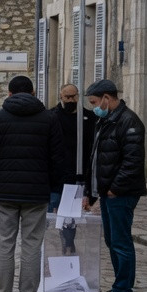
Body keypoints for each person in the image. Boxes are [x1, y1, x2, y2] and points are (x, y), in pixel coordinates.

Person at [0, 75, 64, 292]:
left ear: (9, 93)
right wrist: (49, 183)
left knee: (5, 244)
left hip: (5, 192)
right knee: (32, 245)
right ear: (34, 93)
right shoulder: (49, 118)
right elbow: (58, 158)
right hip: (36, 192)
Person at [84, 78, 146, 292]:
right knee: (112, 240)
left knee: (121, 241)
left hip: (121, 193)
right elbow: (97, 158)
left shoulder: (128, 121)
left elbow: (132, 161)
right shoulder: (106, 120)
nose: (93, 107)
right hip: (108, 192)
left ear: (106, 98)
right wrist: (92, 192)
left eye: (94, 102)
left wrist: (114, 188)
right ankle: (119, 286)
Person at [51, 82, 97, 256]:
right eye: (67, 97)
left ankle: (68, 242)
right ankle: (56, 245)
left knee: (72, 213)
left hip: (79, 173)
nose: (70, 100)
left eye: (73, 96)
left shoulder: (89, 118)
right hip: (57, 174)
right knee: (54, 211)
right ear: (61, 97)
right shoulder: (52, 116)